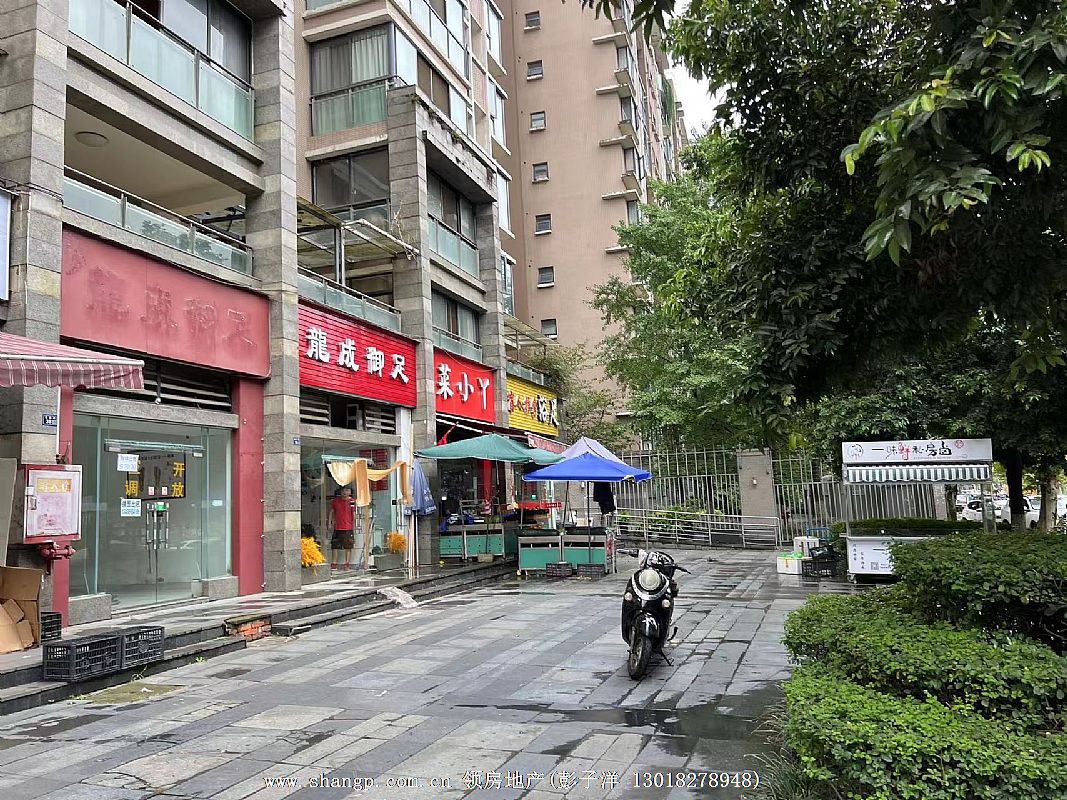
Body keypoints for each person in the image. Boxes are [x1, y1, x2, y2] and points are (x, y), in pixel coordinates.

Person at [328, 486, 357, 571]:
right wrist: (329, 523)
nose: (345, 492)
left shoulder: (352, 501)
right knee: (335, 546)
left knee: (348, 546)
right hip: (337, 527)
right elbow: (332, 512)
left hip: (348, 527)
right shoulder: (335, 501)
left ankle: (347, 564)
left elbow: (353, 513)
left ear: (350, 492)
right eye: (343, 490)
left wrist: (354, 524)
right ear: (340, 491)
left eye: (347, 490)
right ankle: (334, 563)